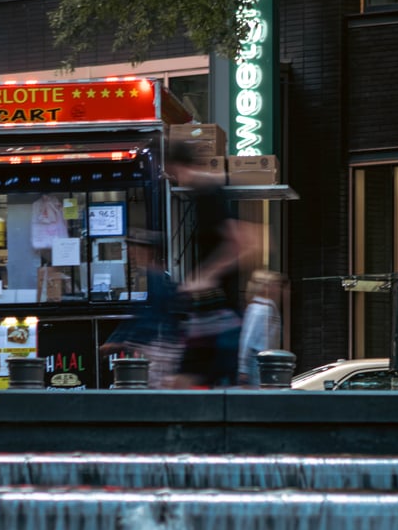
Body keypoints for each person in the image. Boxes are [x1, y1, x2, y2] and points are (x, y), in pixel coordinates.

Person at [166, 139, 263, 388]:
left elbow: (246, 242)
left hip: (215, 308)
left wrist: (205, 276)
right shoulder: (206, 190)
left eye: (170, 172)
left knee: (185, 382)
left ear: (174, 166)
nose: (171, 178)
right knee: (198, 383)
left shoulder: (207, 193)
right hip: (214, 308)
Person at [99, 228, 182, 386]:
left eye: (136, 248)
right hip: (160, 346)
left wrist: (119, 342)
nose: (132, 253)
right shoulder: (154, 277)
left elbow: (149, 317)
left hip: (160, 347)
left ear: (149, 251)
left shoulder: (154, 279)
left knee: (155, 389)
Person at [237, 269, 284, 386]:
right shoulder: (259, 309)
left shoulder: (268, 307)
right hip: (257, 361)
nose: (278, 288)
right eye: (275, 285)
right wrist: (243, 367)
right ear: (265, 287)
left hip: (267, 360)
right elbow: (247, 338)